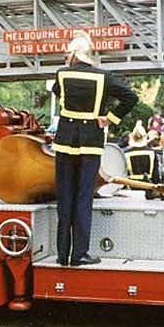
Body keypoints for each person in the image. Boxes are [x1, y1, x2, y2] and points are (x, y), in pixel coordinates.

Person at [51, 30, 138, 266]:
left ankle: (62, 254)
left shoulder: (61, 75)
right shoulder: (104, 77)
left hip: (65, 143)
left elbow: (58, 94)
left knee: (65, 198)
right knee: (83, 198)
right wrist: (109, 118)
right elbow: (131, 98)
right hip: (90, 143)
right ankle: (79, 254)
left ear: (73, 55)